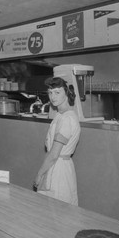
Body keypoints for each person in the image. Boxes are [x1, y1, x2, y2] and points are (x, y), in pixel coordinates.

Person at [33, 77, 81, 205]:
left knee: (59, 211)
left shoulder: (67, 119)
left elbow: (54, 155)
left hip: (59, 170)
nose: (52, 96)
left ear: (66, 93)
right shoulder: (60, 115)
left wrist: (39, 174)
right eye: (50, 92)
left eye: (57, 92)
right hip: (55, 166)